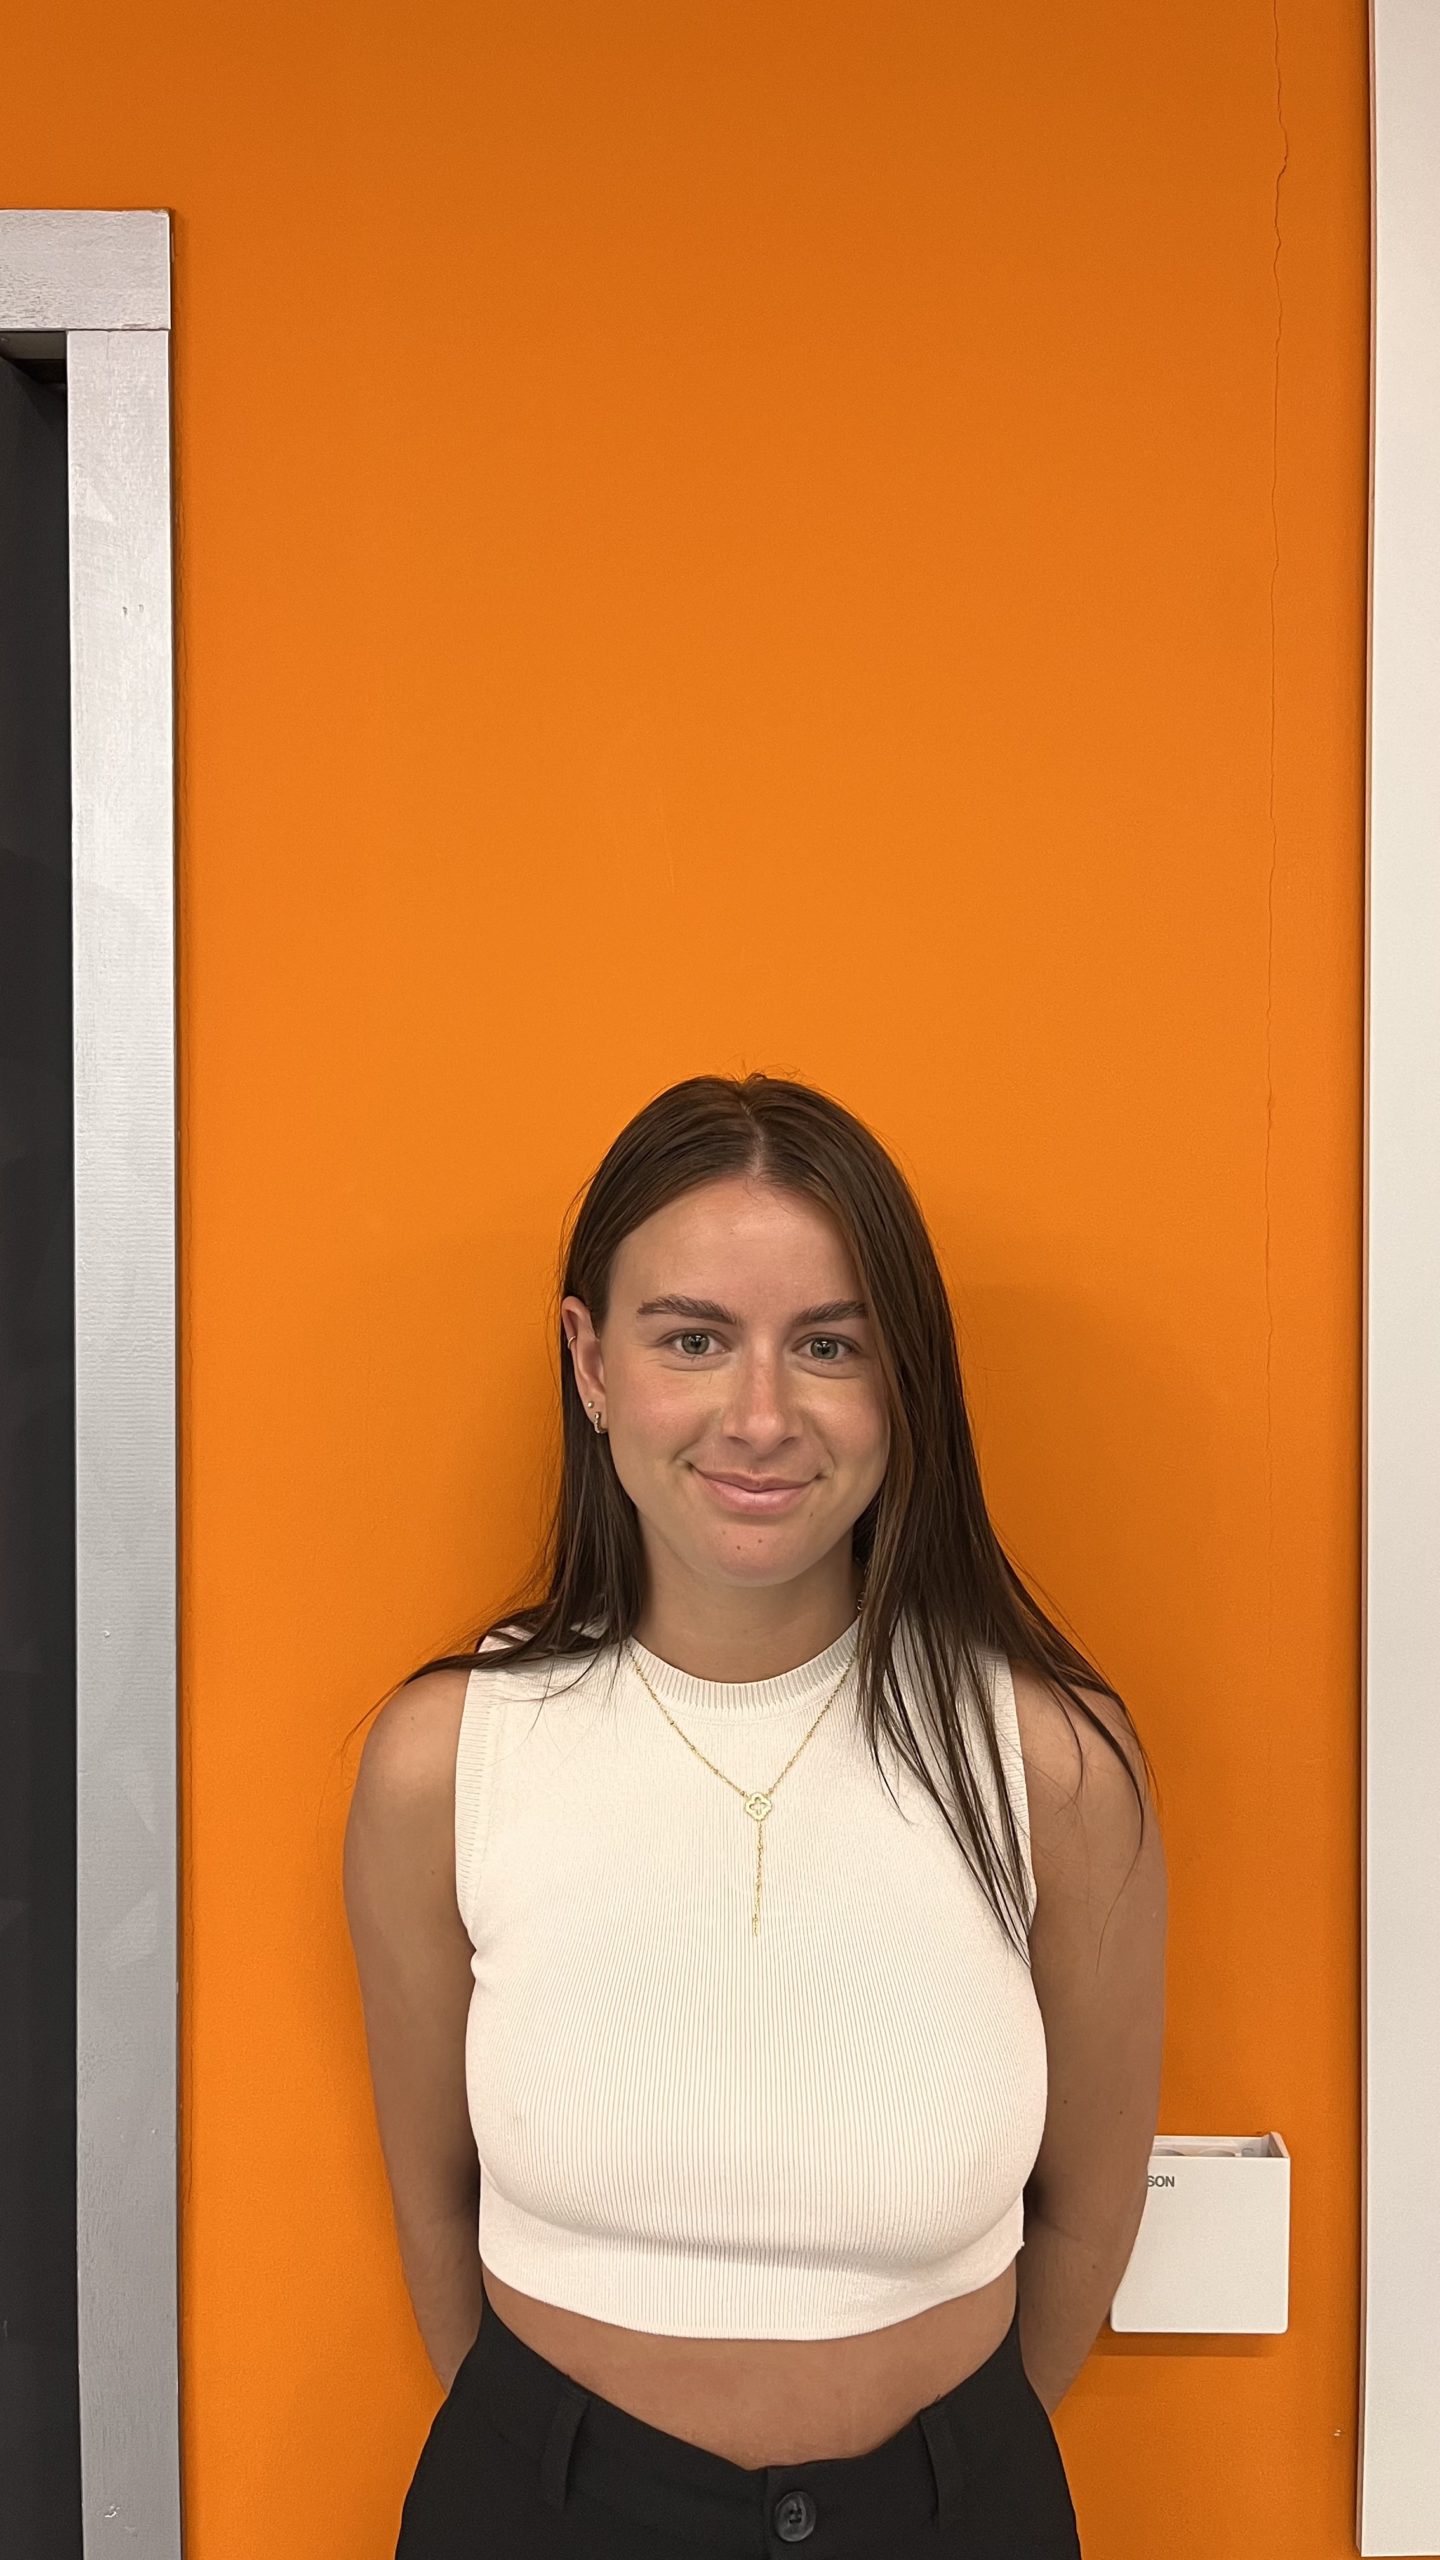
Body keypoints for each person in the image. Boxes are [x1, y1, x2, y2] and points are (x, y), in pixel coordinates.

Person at [343, 1070, 1167, 2558]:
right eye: (694, 1339)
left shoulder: (1051, 1766)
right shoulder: (446, 1762)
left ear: (903, 1380)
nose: (763, 1416)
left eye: (830, 1345)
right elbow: (435, 2204)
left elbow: (1087, 2216)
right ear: (591, 1361)